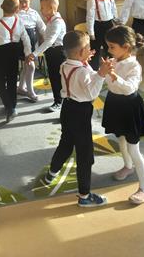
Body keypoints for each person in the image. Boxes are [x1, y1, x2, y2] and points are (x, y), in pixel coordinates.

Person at [43, 31, 112, 208]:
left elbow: (84, 77)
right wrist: (101, 74)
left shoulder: (65, 65)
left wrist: (86, 62)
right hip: (80, 112)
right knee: (85, 154)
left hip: (67, 109)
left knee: (66, 143)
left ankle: (52, 172)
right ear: (81, 52)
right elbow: (91, 93)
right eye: (88, 47)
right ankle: (84, 195)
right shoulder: (81, 71)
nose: (91, 49)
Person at [101, 26, 144, 204]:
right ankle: (128, 166)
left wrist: (114, 76)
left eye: (112, 46)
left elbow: (130, 88)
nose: (109, 50)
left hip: (129, 106)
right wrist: (103, 71)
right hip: (114, 103)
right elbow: (105, 80)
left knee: (133, 148)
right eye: (108, 46)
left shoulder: (134, 65)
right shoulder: (113, 60)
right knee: (120, 139)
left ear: (126, 47)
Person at [0, 0, 31, 122]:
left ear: (1, 7)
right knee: (12, 80)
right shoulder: (19, 21)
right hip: (14, 52)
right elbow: (26, 39)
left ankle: (10, 107)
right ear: (17, 9)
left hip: (1, 53)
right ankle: (11, 106)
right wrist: (27, 53)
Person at [27, 0, 67, 112]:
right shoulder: (51, 21)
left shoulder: (57, 22)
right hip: (51, 52)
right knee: (53, 78)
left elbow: (49, 41)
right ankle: (58, 100)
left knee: (59, 78)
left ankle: (60, 102)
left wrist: (34, 53)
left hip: (58, 52)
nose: (40, 10)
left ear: (51, 8)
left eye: (42, 7)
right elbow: (46, 36)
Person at [16, 0, 45, 102]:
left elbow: (42, 28)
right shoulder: (16, 13)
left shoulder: (34, 13)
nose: (23, 4)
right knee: (31, 66)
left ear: (30, 0)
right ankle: (30, 91)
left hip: (33, 44)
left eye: (26, 2)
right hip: (22, 44)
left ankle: (20, 88)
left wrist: (49, 38)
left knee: (26, 66)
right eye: (21, 2)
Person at [86, 0, 117, 71]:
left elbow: (114, 11)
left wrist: (117, 22)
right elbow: (90, 18)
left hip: (109, 25)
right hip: (98, 26)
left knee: (110, 48)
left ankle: (110, 68)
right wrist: (91, 33)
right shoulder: (92, 0)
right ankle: (94, 70)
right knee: (96, 50)